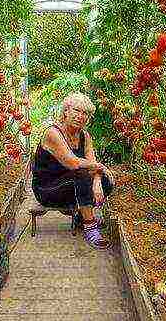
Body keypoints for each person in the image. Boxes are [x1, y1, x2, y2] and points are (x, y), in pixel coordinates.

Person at [31, 92, 114, 249]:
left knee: (106, 182)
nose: (80, 116)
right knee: (81, 174)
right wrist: (101, 167)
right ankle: (90, 227)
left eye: (85, 113)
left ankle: (82, 216)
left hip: (71, 184)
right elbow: (73, 162)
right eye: (76, 111)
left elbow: (92, 163)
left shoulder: (85, 136)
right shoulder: (53, 133)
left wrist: (97, 180)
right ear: (66, 111)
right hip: (48, 189)